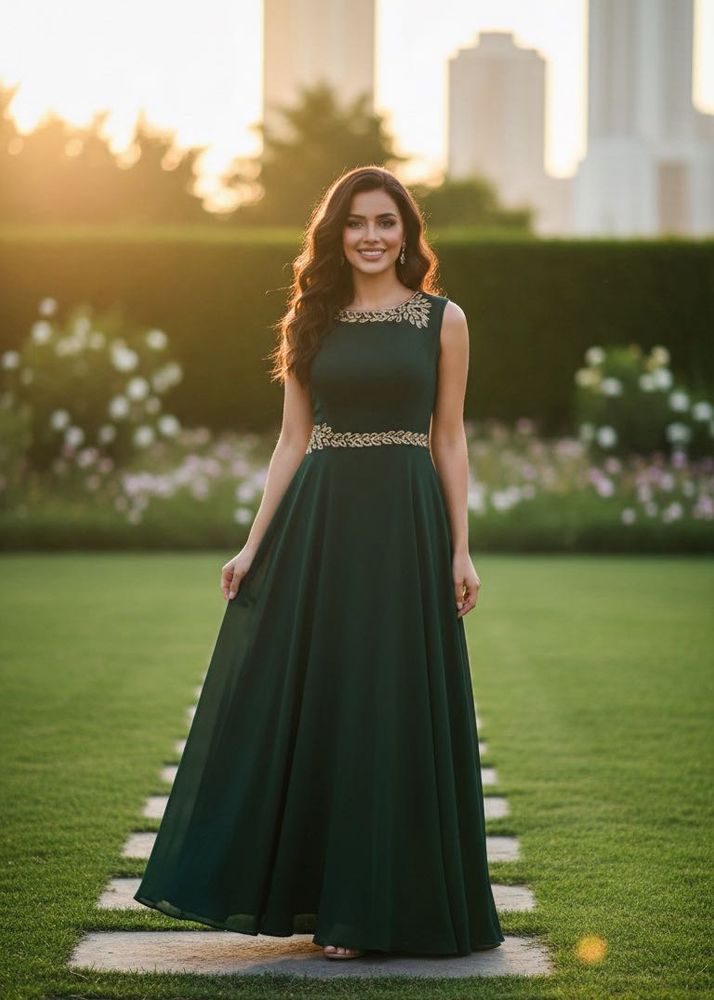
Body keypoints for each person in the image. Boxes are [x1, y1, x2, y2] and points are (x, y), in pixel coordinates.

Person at [133, 165, 505, 960]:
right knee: (326, 697)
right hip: (322, 520)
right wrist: (253, 541)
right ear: (335, 233)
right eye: (357, 223)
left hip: (405, 523)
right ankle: (326, 903)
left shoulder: (445, 320)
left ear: (407, 233)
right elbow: (292, 439)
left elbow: (449, 436)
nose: (372, 236)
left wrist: (461, 547)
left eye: (386, 222)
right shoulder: (311, 317)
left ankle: (377, 905)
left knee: (391, 699)